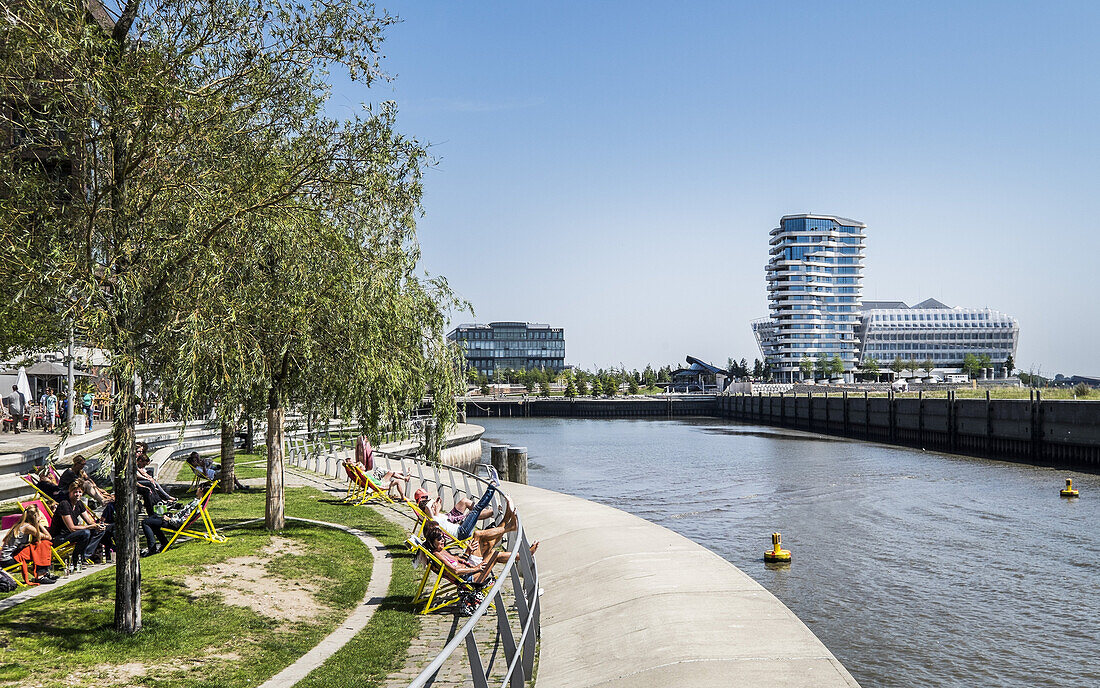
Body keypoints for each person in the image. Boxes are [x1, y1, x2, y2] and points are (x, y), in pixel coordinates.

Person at [49, 483, 112, 566]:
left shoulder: (79, 503)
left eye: (80, 492)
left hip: (72, 534)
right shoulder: (64, 504)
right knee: (85, 533)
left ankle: (86, 556)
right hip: (59, 537)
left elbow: (90, 522)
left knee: (100, 530)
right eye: (75, 492)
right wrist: (91, 526)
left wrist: (98, 525)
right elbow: (72, 528)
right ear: (70, 492)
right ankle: (76, 559)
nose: (77, 494)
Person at [0, 505, 57, 584]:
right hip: (9, 560)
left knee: (39, 545)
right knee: (43, 544)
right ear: (35, 516)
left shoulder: (21, 524)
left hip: (6, 558)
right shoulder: (27, 527)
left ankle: (44, 573)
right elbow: (49, 537)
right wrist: (39, 524)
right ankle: (41, 575)